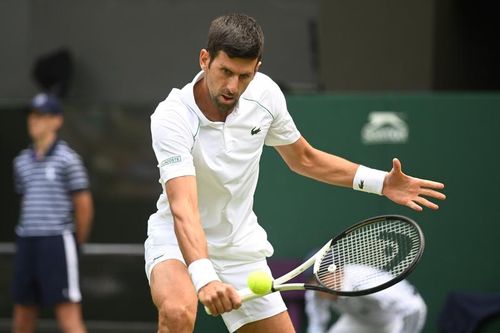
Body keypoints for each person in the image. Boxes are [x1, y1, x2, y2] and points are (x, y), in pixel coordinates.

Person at [145, 13, 445, 333]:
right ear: (205, 60)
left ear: (257, 68)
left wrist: (381, 182)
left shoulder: (265, 96)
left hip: (239, 248)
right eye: (225, 72)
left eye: (244, 76)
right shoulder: (173, 117)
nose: (233, 86)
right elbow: (183, 207)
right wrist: (204, 277)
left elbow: (304, 159)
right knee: (178, 312)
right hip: (178, 240)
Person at [11, 92, 94, 333]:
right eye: (31, 116)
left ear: (56, 121)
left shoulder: (69, 160)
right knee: (22, 315)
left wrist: (75, 243)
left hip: (57, 242)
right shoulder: (21, 162)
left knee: (67, 314)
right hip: (27, 242)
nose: (33, 121)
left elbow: (84, 206)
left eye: (41, 116)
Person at [304, 263, 427, 333]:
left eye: (321, 279)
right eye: (313, 281)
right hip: (357, 321)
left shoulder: (365, 285)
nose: (317, 286)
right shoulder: (315, 292)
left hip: (391, 323)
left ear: (338, 272)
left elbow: (414, 307)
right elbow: (317, 324)